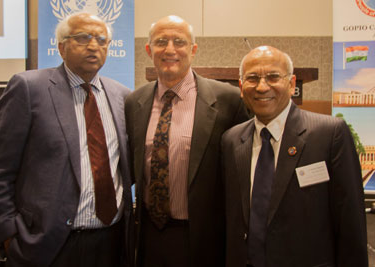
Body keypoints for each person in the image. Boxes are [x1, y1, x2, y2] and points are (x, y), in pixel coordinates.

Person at [0, 12, 134, 267]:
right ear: (62, 47)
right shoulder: (29, 88)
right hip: (47, 246)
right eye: (83, 37)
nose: (94, 45)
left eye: (101, 39)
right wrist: (7, 232)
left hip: (111, 242)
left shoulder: (122, 96)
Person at [221, 45, 368, 267]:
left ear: (291, 84)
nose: (262, 86)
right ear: (241, 87)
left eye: (273, 77)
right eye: (252, 78)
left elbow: (351, 224)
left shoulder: (329, 135)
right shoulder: (231, 140)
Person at [125, 15, 250, 267]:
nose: (170, 49)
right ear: (149, 50)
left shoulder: (229, 100)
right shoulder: (133, 102)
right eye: (161, 41)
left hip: (203, 238)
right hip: (148, 237)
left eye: (179, 42)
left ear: (193, 50)